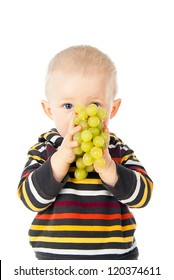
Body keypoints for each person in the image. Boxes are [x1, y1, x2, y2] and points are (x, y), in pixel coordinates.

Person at [17, 45, 153, 260]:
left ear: (112, 109)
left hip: (116, 261)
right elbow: (30, 199)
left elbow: (143, 196)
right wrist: (60, 159)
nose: (79, 116)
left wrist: (110, 168)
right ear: (49, 110)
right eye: (68, 105)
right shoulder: (44, 149)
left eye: (95, 104)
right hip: (54, 263)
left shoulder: (116, 149)